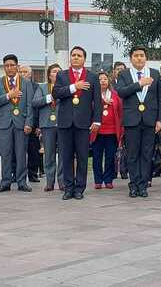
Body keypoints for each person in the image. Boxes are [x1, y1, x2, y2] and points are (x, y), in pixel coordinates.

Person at [115, 45, 161, 198]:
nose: (139, 58)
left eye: (142, 55)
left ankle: (143, 185)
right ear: (131, 58)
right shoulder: (124, 74)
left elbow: (160, 99)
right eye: (136, 55)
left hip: (150, 120)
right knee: (132, 154)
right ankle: (133, 185)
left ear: (146, 57)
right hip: (132, 120)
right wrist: (139, 84)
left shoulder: (155, 74)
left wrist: (160, 120)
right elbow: (121, 92)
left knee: (146, 154)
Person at [54, 46, 102, 200]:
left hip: (83, 123)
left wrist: (97, 120)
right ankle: (68, 188)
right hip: (65, 122)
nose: (75, 57)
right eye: (73, 55)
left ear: (84, 59)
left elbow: (97, 101)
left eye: (79, 55)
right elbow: (56, 93)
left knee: (82, 157)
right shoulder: (62, 75)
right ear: (70, 58)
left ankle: (79, 188)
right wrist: (75, 86)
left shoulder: (92, 77)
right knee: (66, 156)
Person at [0, 54, 35, 193]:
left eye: (12, 65)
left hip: (21, 123)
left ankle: (22, 182)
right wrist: (8, 95)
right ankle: (5, 182)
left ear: (17, 66)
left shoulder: (26, 82)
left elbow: (30, 105)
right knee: (5, 154)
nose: (9, 68)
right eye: (6, 66)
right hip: (4, 123)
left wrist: (29, 122)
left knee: (21, 153)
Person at [32, 63, 65, 192]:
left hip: (63, 123)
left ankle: (62, 181)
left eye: (59, 71)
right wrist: (50, 97)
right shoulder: (43, 87)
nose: (56, 73)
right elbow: (35, 102)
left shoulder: (65, 87)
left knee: (63, 154)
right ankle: (50, 182)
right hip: (47, 124)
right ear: (49, 74)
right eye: (54, 71)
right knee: (49, 154)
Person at [90, 71, 124, 189]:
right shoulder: (92, 95)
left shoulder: (115, 95)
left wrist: (121, 129)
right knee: (97, 157)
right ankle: (98, 180)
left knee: (110, 157)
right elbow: (89, 107)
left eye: (105, 79)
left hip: (112, 131)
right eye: (100, 79)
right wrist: (102, 101)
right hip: (97, 131)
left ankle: (108, 179)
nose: (103, 81)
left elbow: (120, 113)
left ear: (108, 81)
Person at [20, 65, 42, 183]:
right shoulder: (16, 86)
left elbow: (38, 107)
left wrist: (38, 125)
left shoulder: (36, 87)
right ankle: (16, 173)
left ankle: (33, 174)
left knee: (33, 150)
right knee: (17, 150)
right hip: (18, 122)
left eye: (25, 72)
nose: (23, 74)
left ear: (30, 74)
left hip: (33, 123)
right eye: (21, 72)